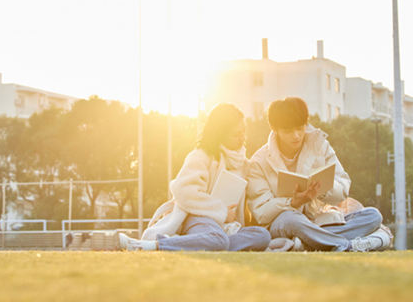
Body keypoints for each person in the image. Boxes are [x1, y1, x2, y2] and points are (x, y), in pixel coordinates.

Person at [119, 103, 271, 251]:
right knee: (218, 239)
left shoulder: (245, 165)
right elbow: (184, 192)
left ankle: (204, 243)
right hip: (196, 217)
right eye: (236, 134)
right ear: (220, 135)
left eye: (243, 132)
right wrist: (222, 212)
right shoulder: (201, 156)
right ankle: (156, 245)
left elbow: (250, 202)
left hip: (225, 226)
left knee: (262, 236)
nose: (242, 138)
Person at [247, 97, 391, 252]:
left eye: (300, 128)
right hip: (284, 222)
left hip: (318, 220)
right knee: (291, 220)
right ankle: (348, 245)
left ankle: (309, 242)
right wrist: (292, 203)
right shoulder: (259, 161)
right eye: (288, 131)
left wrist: (322, 189)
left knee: (373, 216)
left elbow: (343, 187)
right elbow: (260, 212)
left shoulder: (320, 145)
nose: (296, 136)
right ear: (274, 129)